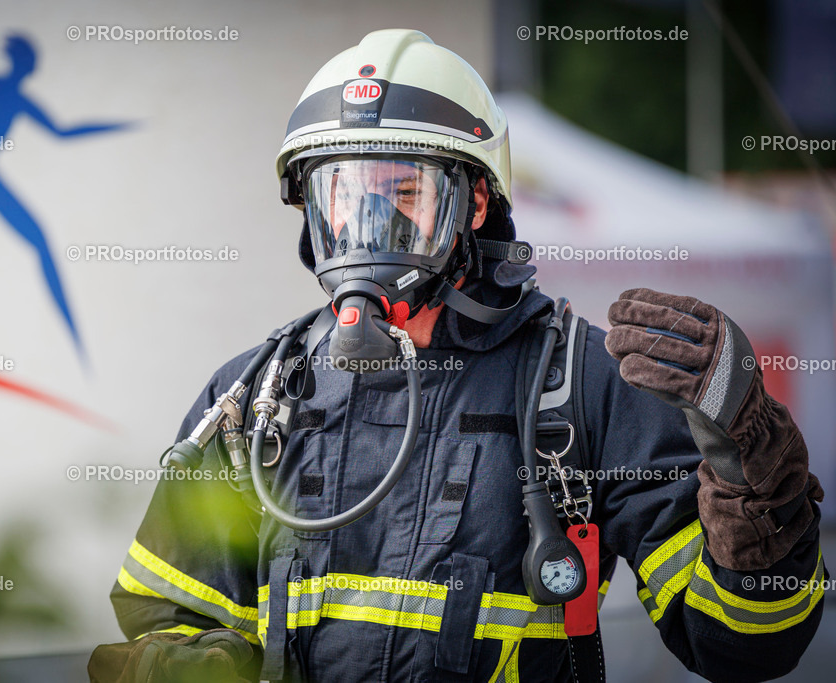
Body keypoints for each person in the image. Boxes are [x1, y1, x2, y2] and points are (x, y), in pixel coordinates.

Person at [88, 29, 825, 683]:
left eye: (404, 191)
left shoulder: (581, 388)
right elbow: (167, 610)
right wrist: (184, 660)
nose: (368, 225)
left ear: (474, 203)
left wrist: (751, 477)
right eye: (343, 195)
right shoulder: (258, 394)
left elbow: (745, 645)